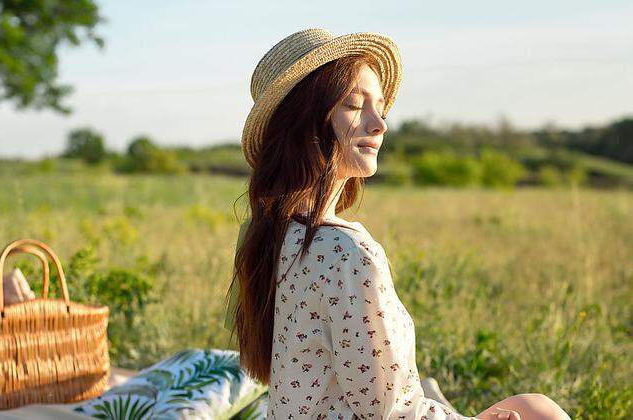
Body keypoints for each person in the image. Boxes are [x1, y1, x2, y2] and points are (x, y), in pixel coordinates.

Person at [225, 28, 571, 420]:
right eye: (355, 105)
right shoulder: (346, 252)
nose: (379, 124)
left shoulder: (273, 232)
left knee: (532, 406)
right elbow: (388, 413)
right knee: (545, 414)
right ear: (304, 123)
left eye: (381, 108)